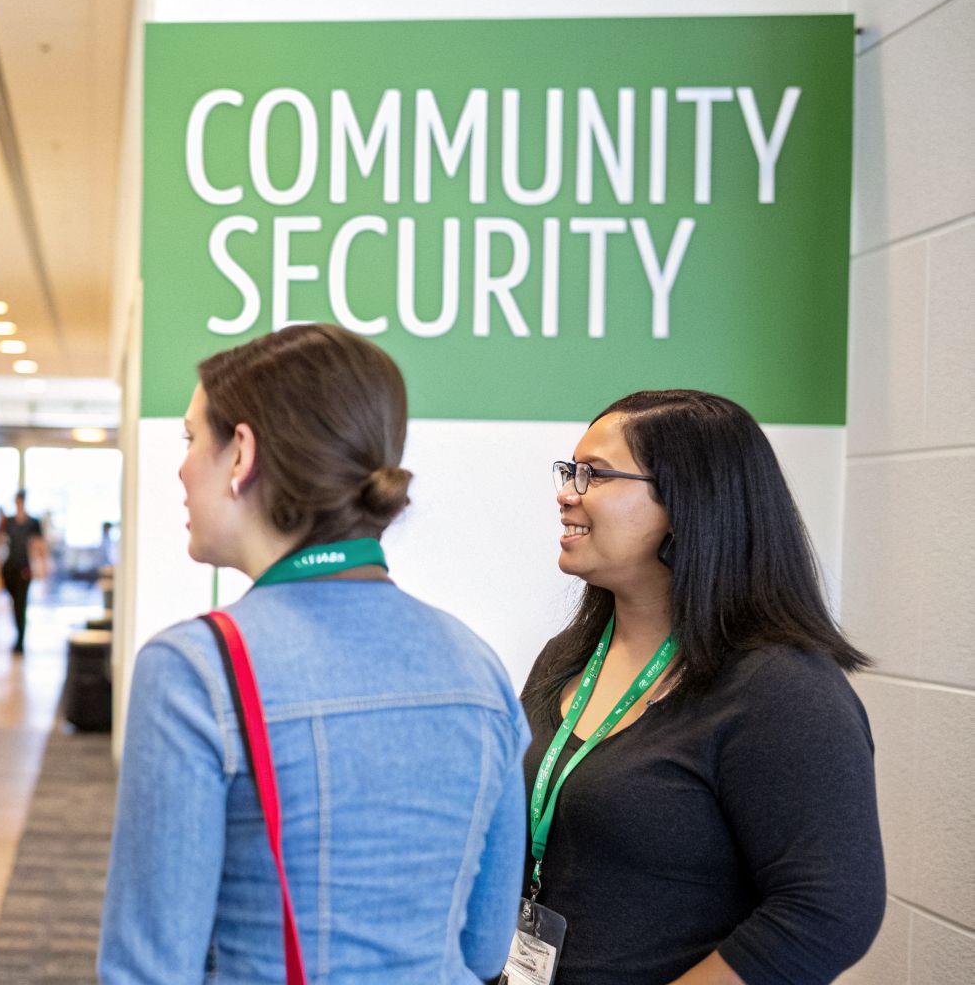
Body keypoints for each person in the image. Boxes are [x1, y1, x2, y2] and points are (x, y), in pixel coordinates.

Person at [99, 324, 526, 982]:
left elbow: (149, 970)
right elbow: (485, 949)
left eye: (190, 439)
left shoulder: (194, 670)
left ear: (241, 453)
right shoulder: (479, 666)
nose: (181, 467)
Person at [515, 389, 884, 983]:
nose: (566, 494)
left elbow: (827, 912)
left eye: (595, 476)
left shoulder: (780, 689)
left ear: (689, 501)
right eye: (570, 472)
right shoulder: (567, 658)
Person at [0, 489, 47, 651]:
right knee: (14, 603)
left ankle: (20, 640)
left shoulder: (33, 523)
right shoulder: (8, 521)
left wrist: (43, 567)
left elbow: (40, 546)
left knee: (21, 603)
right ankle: (18, 633)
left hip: (24, 568)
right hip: (9, 567)